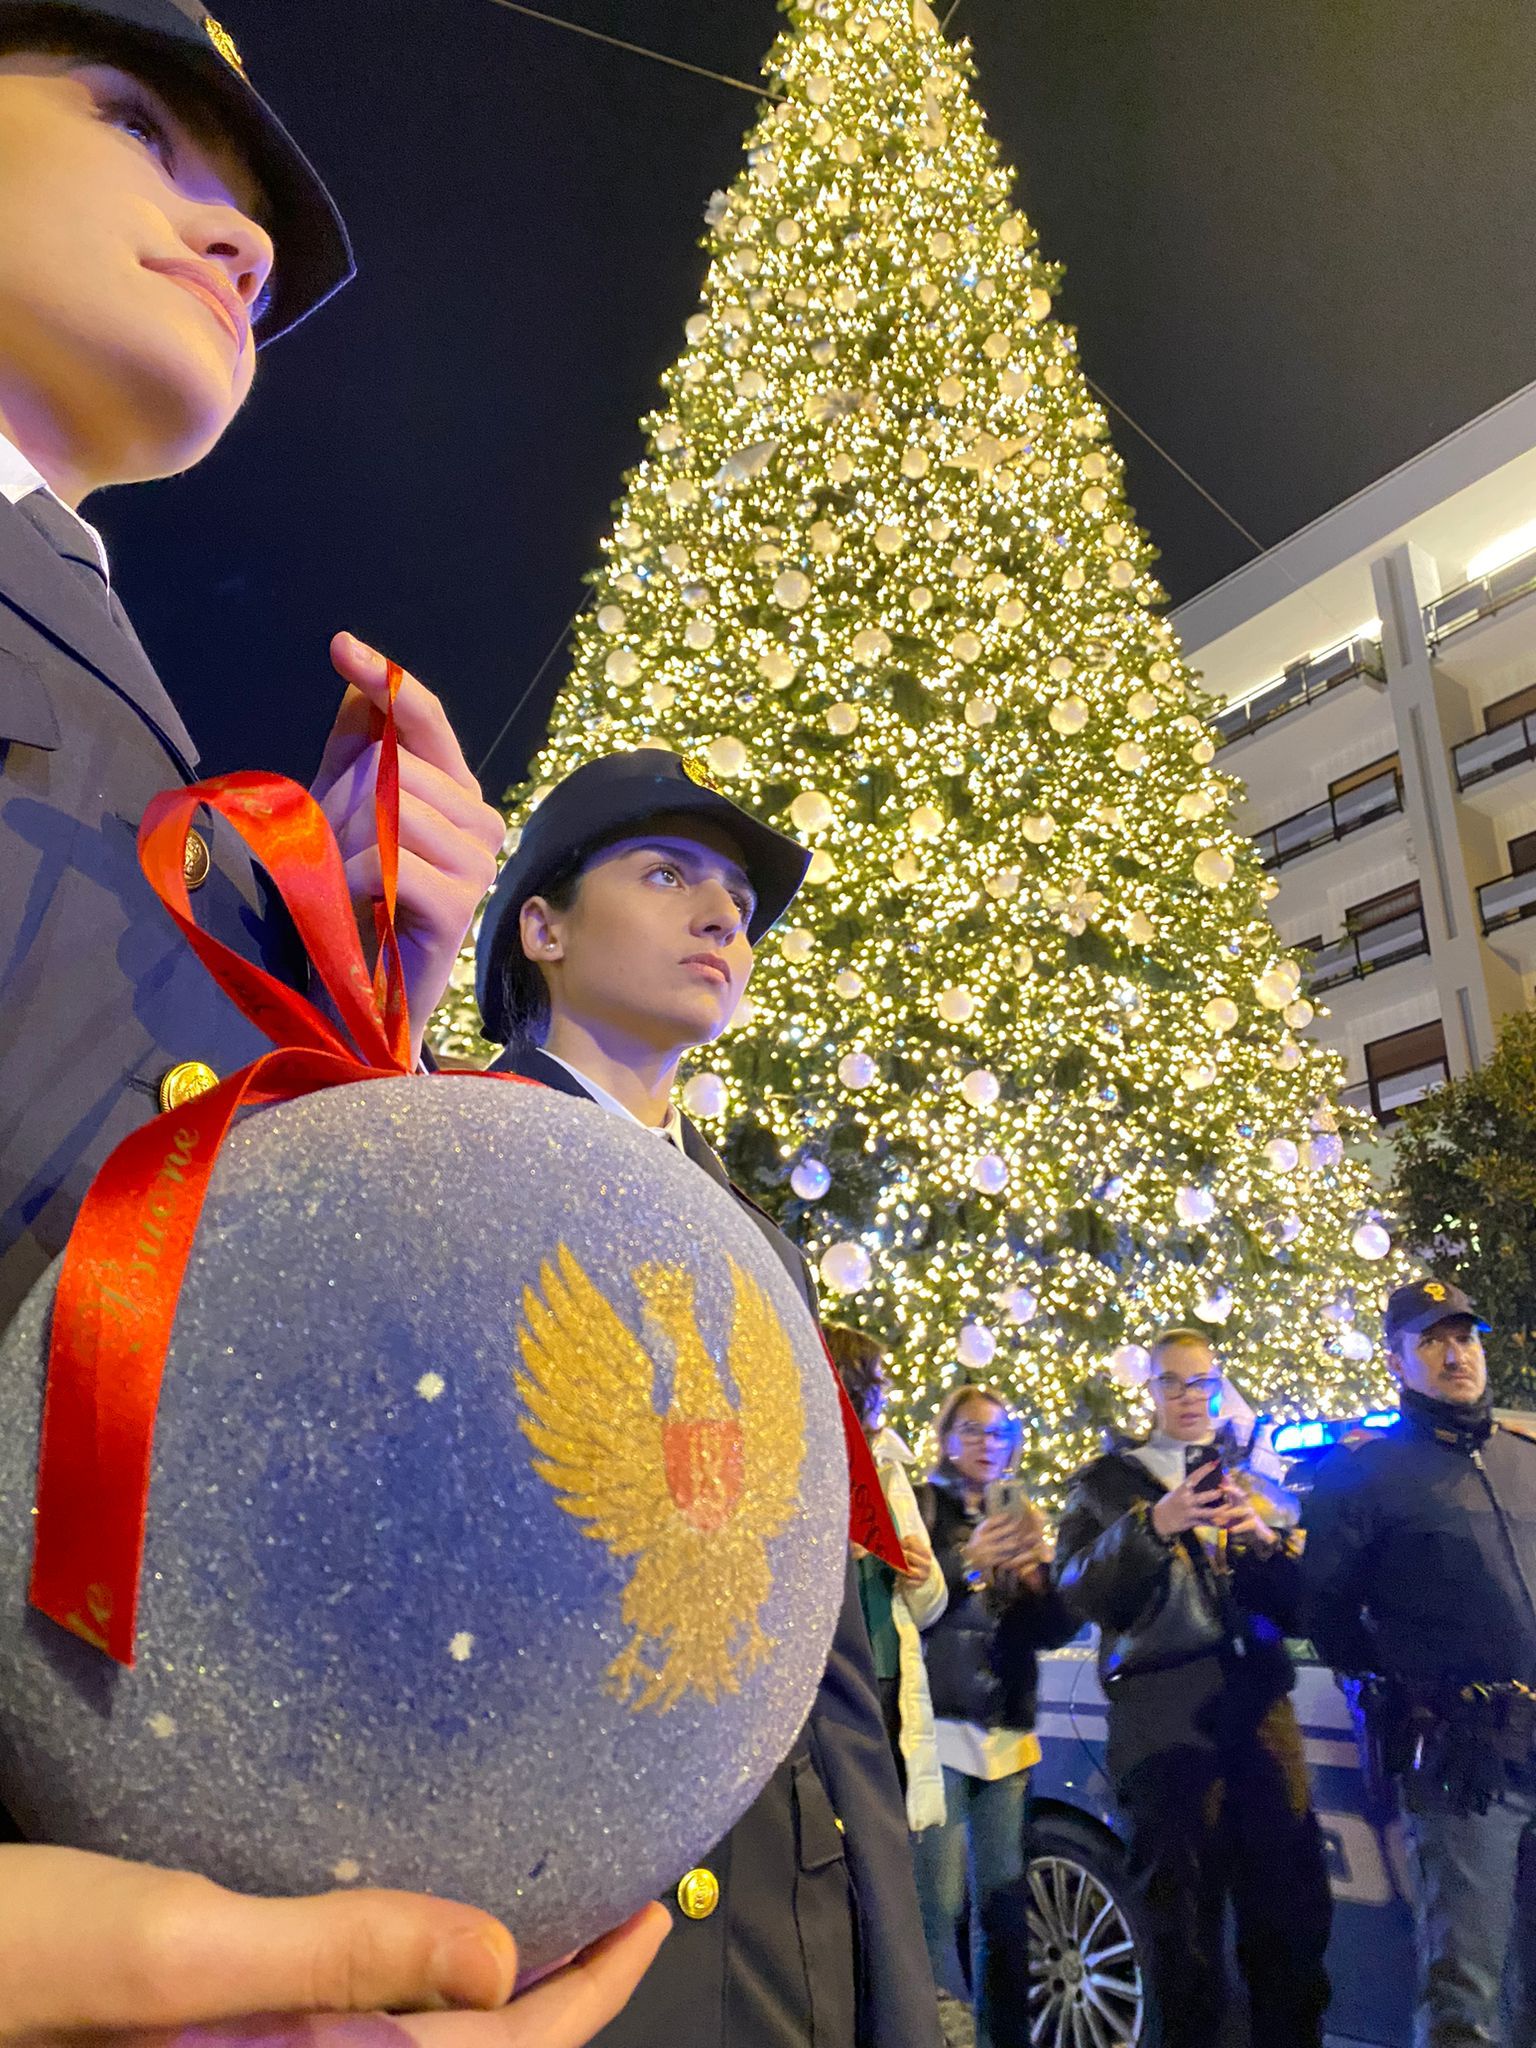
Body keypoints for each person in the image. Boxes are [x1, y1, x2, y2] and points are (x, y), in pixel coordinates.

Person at [0, 3, 670, 2037]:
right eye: (140, 123)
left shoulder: (76, 612)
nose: (238, 236)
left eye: (258, 227)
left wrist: (347, 960)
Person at [476, 744, 942, 2048]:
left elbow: (825, 1626)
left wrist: (890, 1968)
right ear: (544, 925)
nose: (723, 914)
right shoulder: (451, 1172)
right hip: (561, 1926)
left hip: (787, 1897)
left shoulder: (760, 1249)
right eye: (667, 871)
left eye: (737, 896)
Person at [1053, 1329, 1332, 2048]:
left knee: (1291, 1916)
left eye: (1202, 1382)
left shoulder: (1249, 1482)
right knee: (1181, 1930)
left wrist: (1262, 1544)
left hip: (1260, 1710)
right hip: (1163, 1717)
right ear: (1148, 1390)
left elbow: (1298, 1607)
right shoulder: (1106, 1484)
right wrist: (1157, 1523)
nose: (1189, 1397)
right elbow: (1078, 1592)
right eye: (1172, 1382)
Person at [1303, 1280, 1536, 2048]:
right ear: (1398, 1360)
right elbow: (1326, 1613)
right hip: (1465, 1763)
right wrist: (1404, 1692)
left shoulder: (1524, 1458)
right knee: (1467, 1996)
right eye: (1432, 1340)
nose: (1455, 1353)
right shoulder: (1362, 1477)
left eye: (1465, 1336)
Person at [910, 1383, 1077, 2048]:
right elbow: (908, 1602)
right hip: (941, 1727)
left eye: (999, 1432)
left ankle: (1003, 2038)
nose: (988, 1444)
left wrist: (1039, 1579)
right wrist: (966, 1561)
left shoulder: (1022, 1514)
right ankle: (945, 2037)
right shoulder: (923, 1507)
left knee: (1004, 1909)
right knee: (938, 1907)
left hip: (1006, 1729)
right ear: (948, 1439)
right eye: (973, 1431)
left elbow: (1055, 1630)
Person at [824, 1320, 947, 1829]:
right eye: (875, 1381)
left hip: (890, 1678)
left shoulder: (891, 1470)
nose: (885, 1393)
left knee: (885, 1826)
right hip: (835, 1678)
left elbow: (929, 1607)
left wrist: (921, 1577)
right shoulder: (810, 1461)